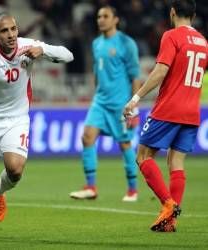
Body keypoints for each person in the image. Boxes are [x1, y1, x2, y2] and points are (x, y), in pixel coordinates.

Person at [0, 14, 73, 241]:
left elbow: (68, 55)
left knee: (16, 170)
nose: (11, 35)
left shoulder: (28, 46)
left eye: (13, 29)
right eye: (4, 31)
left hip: (17, 118)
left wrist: (44, 51)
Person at [123, 0, 208, 232]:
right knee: (176, 163)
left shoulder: (171, 36)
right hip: (192, 111)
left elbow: (161, 70)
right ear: (194, 14)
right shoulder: (203, 42)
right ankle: (170, 222)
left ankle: (168, 205)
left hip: (169, 108)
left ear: (172, 13)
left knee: (142, 156)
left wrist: (136, 98)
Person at [69, 5, 141, 202]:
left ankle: (132, 189)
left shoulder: (127, 43)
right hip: (100, 102)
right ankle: (91, 187)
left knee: (125, 144)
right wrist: (96, 92)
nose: (101, 19)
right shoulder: (96, 43)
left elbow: (135, 76)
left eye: (105, 16)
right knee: (87, 137)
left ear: (115, 19)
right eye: (99, 16)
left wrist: (133, 106)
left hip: (120, 104)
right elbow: (96, 71)